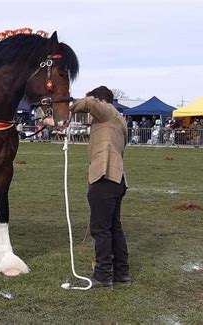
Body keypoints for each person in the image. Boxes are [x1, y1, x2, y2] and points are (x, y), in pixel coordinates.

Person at [70, 86, 130, 288]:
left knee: (101, 229)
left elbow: (88, 104)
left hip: (104, 176)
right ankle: (121, 273)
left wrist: (68, 105)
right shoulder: (118, 119)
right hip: (117, 179)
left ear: (100, 99)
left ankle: (103, 275)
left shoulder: (107, 112)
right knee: (114, 228)